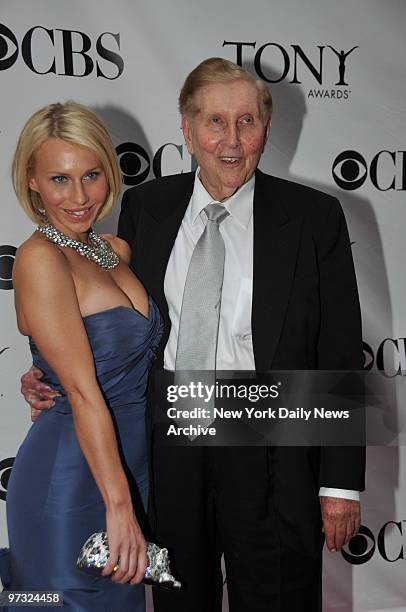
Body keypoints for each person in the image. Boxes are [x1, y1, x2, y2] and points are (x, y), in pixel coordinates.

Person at [21, 59, 365, 612]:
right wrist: (47, 369)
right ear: (186, 129)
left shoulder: (313, 217)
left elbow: (340, 348)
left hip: (272, 446)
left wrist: (341, 484)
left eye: (247, 121)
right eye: (214, 122)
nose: (231, 141)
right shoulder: (144, 208)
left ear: (267, 128)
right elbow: (107, 317)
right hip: (166, 450)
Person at [2, 102, 163, 611]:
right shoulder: (39, 258)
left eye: (91, 175)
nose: (78, 196)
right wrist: (119, 509)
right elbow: (80, 388)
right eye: (59, 179)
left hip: (129, 467)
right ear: (31, 180)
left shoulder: (111, 250)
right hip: (70, 480)